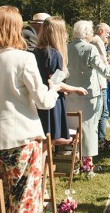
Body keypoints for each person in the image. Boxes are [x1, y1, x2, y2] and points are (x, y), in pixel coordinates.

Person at [0, 6, 85, 212]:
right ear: (13, 28)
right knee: (23, 199)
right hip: (20, 139)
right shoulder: (23, 58)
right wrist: (55, 87)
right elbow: (44, 101)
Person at [66, 20, 110, 165]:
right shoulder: (90, 49)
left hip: (71, 95)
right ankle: (87, 165)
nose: (92, 34)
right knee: (89, 130)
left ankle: (72, 162)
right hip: (89, 96)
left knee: (73, 129)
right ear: (86, 33)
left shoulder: (67, 47)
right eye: (91, 31)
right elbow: (104, 70)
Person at [33, 16, 75, 145]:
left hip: (38, 98)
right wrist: (75, 89)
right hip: (52, 100)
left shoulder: (36, 51)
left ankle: (44, 164)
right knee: (49, 140)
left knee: (44, 140)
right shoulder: (53, 54)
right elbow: (55, 82)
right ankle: (45, 165)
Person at [91, 22, 110, 150]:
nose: (108, 36)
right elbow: (103, 63)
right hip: (100, 81)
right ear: (101, 31)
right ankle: (101, 141)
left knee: (102, 111)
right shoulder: (97, 41)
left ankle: (100, 140)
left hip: (100, 80)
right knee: (103, 112)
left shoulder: (94, 41)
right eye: (107, 33)